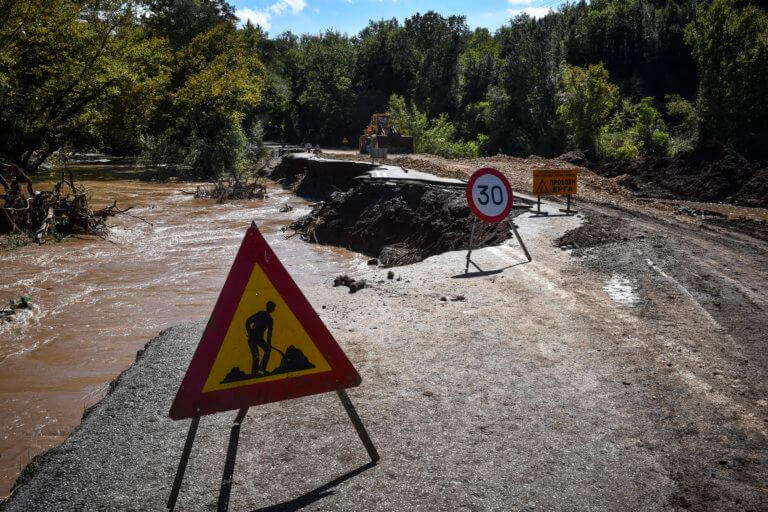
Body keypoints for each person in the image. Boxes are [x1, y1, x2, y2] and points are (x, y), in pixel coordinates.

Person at [245, 301, 276, 375]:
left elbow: (269, 334)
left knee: (267, 350)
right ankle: (254, 372)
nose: (273, 309)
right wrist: (249, 332)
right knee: (256, 355)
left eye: (273, 307)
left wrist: (268, 344)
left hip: (259, 339)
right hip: (252, 337)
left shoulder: (270, 319)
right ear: (268, 307)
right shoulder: (260, 314)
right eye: (272, 307)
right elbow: (248, 321)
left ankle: (262, 368)